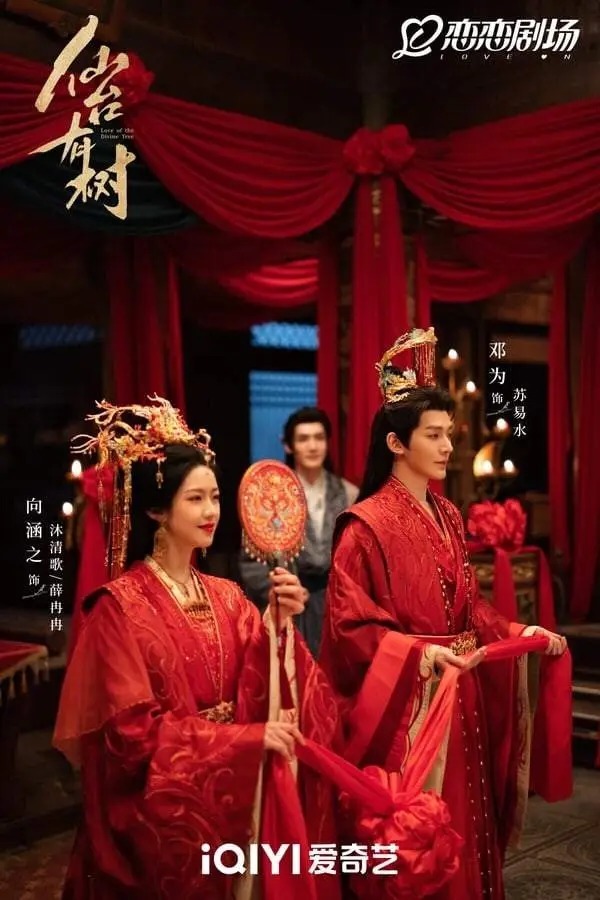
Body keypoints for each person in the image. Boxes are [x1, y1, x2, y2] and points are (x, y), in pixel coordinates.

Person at [54, 397, 340, 900]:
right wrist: (243, 741)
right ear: (155, 510)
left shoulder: (227, 595)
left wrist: (276, 625)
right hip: (167, 805)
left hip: (235, 789)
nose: (211, 511)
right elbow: (131, 736)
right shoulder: (119, 608)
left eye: (215, 497)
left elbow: (263, 681)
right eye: (195, 499)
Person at [320, 328, 571, 900]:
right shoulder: (364, 526)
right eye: (432, 435)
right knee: (423, 829)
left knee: (468, 817)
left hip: (463, 691)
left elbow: (470, 607)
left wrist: (517, 629)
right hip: (413, 701)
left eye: (448, 433)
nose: (446, 446)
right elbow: (350, 626)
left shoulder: (449, 514)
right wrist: (418, 654)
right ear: (396, 442)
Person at [240, 407, 357, 656]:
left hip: (337, 608)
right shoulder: (270, 495)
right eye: (303, 439)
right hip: (291, 605)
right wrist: (283, 590)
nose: (313, 446)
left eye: (319, 437)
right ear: (289, 445)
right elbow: (251, 562)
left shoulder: (348, 493)